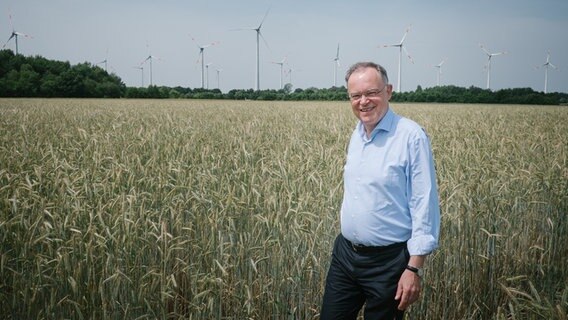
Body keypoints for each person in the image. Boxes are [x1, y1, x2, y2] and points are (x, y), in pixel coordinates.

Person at [320, 62, 441, 320]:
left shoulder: (411, 136)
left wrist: (413, 268)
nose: (364, 101)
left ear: (389, 91)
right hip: (345, 256)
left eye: (371, 93)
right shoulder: (358, 133)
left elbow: (424, 203)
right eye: (356, 96)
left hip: (389, 264)